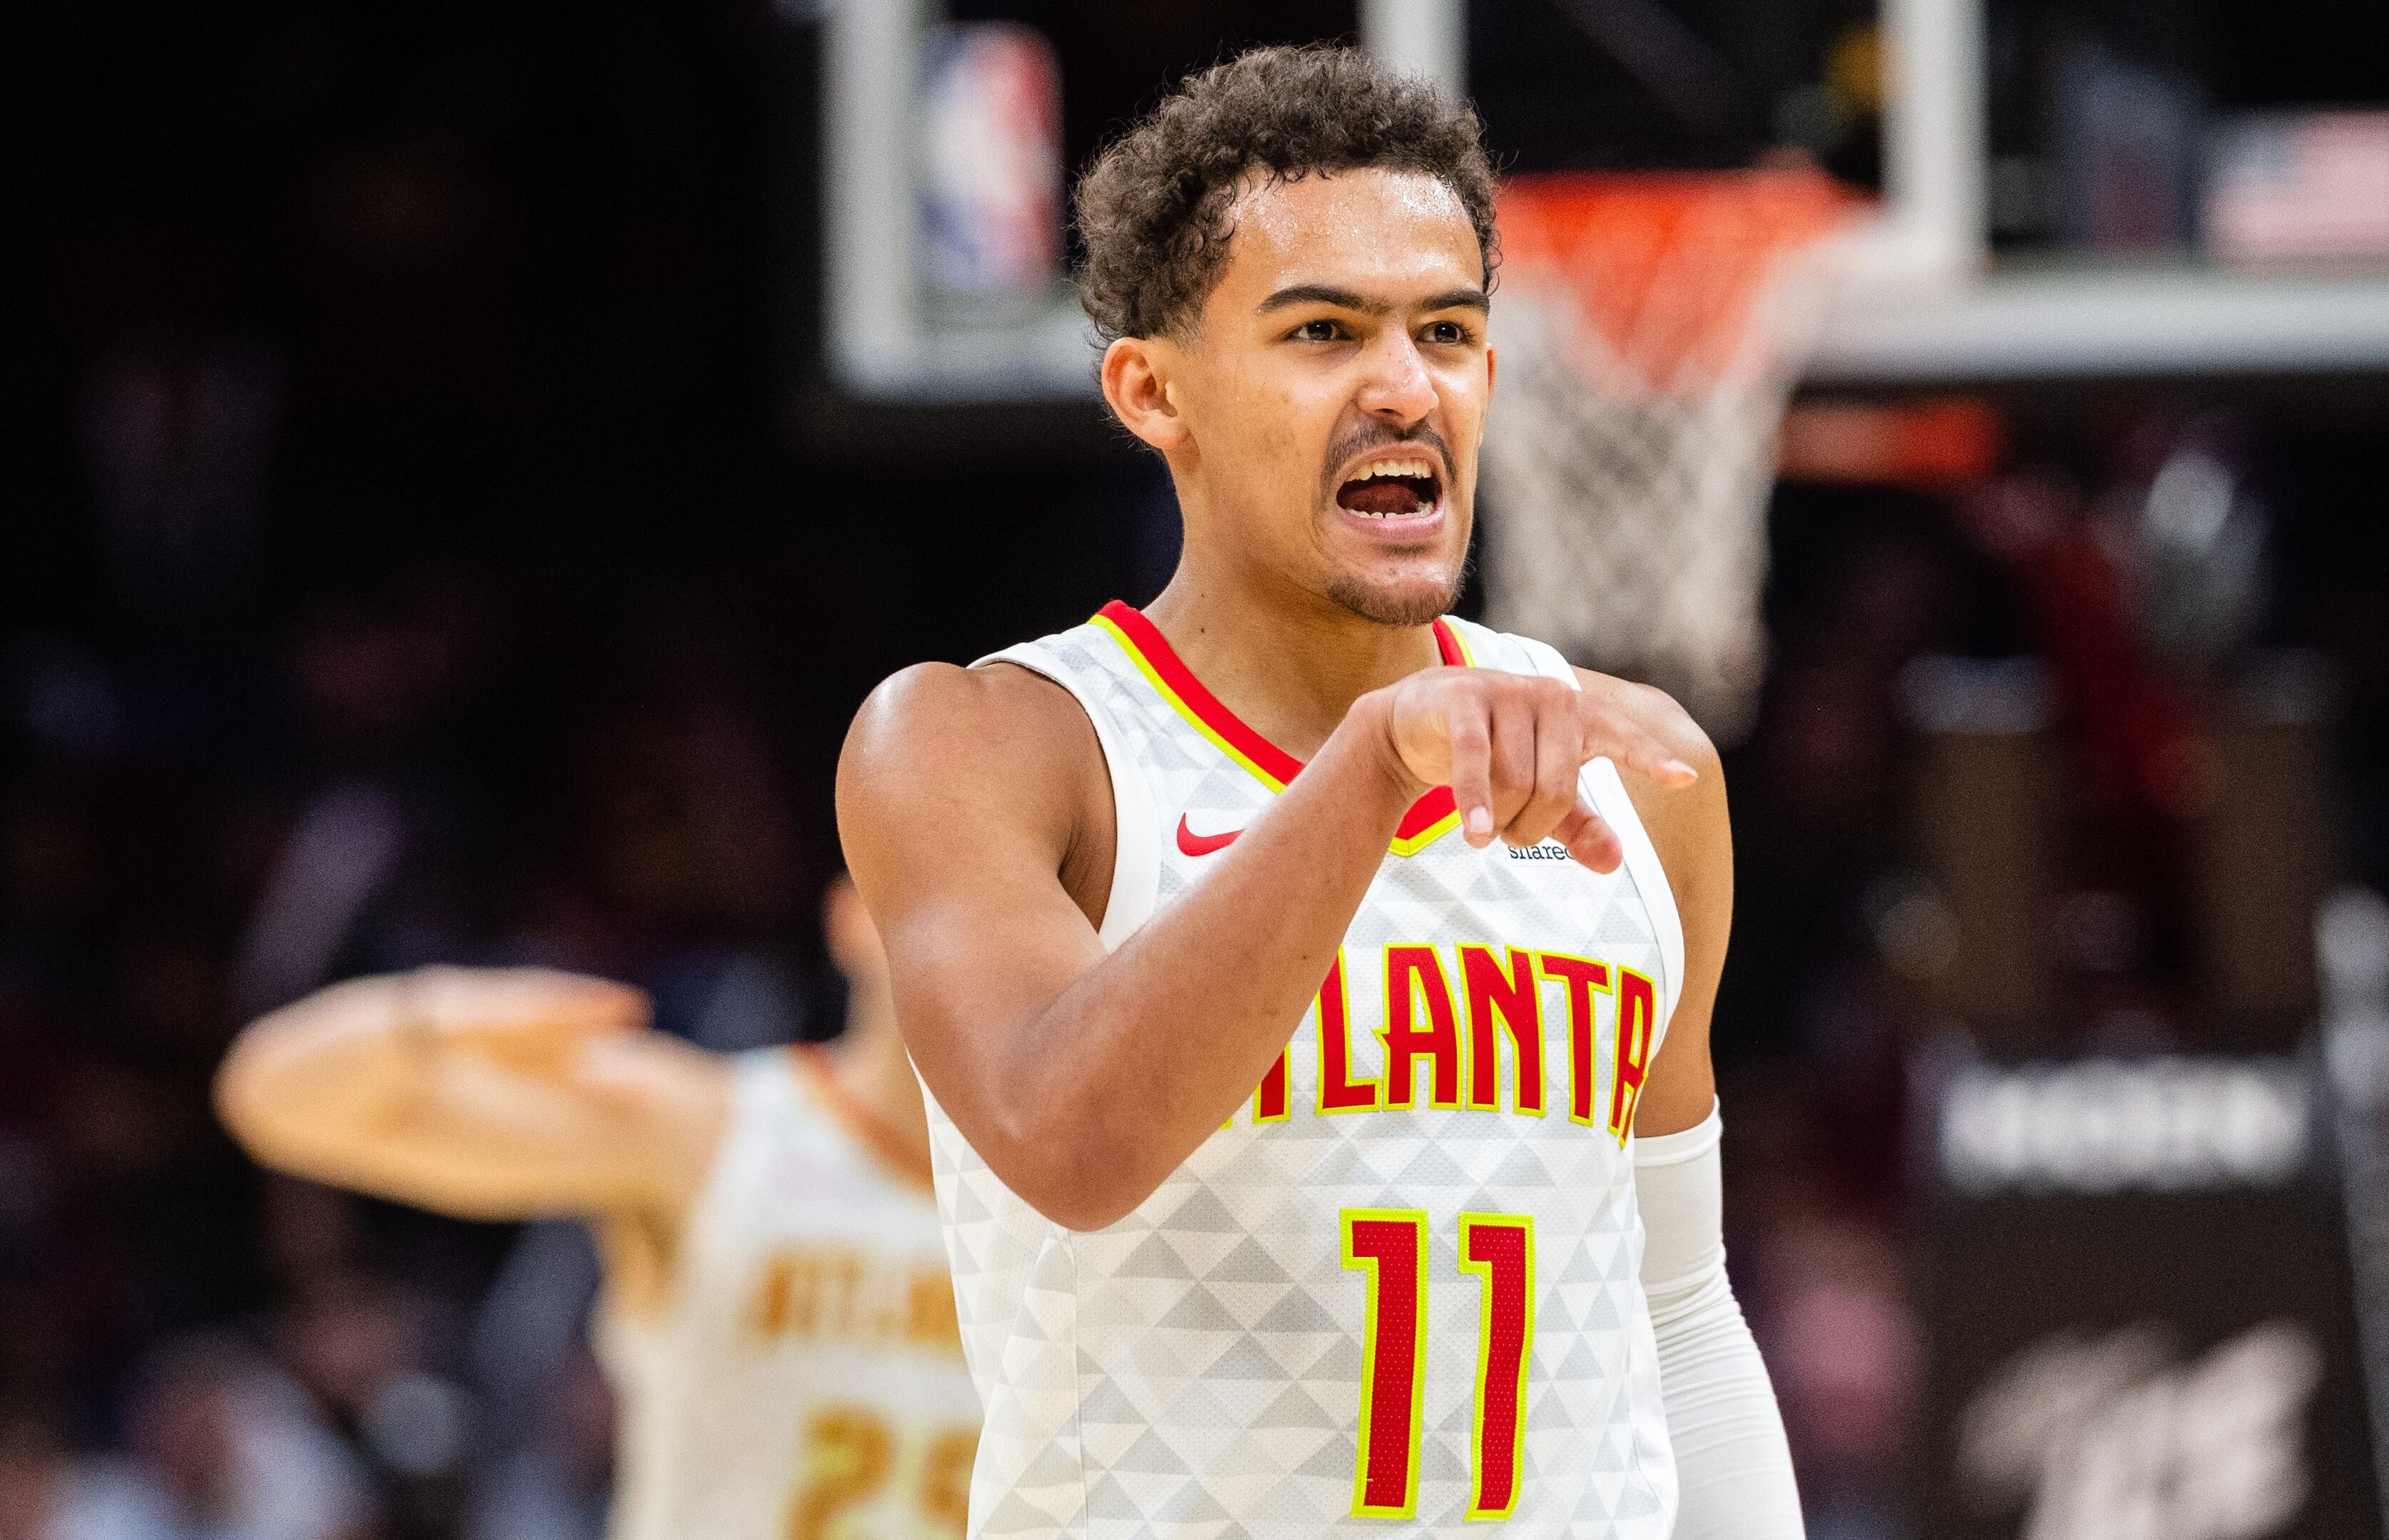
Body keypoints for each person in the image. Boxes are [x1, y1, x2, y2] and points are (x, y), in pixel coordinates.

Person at [837, 43, 1800, 1539]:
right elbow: (1069, 1144)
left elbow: (1678, 1313)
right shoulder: (993, 745)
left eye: (1450, 331)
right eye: (1324, 331)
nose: (1405, 387)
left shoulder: (1638, 777)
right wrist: (1367, 771)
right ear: (1155, 392)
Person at [213, 881, 978, 1540]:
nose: (971, 932)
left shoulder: (1077, 1217)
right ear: (850, 914)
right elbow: (273, 1099)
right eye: (942, 884)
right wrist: (441, 1008)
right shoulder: (712, 1128)